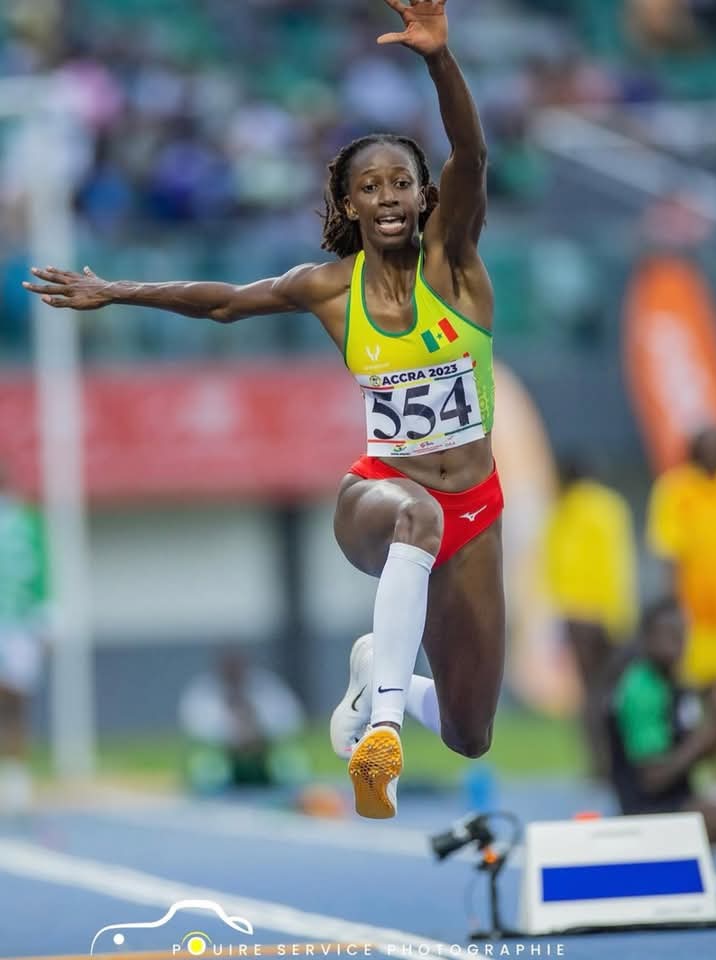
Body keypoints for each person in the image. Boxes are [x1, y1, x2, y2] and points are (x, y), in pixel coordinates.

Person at [23, 0, 504, 820]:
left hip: (479, 509)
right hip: (380, 495)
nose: (387, 197)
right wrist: (116, 290)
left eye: (401, 183)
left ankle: (372, 680)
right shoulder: (326, 290)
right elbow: (222, 303)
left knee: (470, 735)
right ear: (349, 205)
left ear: (425, 197)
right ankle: (380, 735)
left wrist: (439, 61)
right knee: (415, 516)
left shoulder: (452, 265)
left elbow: (473, 150)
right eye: (369, 187)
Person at [541, 457, 637, 778]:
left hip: (577, 614)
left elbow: (555, 564)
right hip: (610, 611)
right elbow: (619, 561)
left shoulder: (564, 509)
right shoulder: (611, 506)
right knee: (616, 690)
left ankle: (599, 763)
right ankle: (622, 759)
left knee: (591, 692)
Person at [607, 597, 716, 841]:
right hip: (647, 811)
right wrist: (706, 736)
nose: (677, 644)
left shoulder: (676, 684)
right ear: (646, 638)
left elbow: (705, 754)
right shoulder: (641, 690)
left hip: (679, 800)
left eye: (681, 635)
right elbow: (653, 778)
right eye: (667, 635)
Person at [646, 425, 716, 690]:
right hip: (693, 617)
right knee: (693, 689)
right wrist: (674, 606)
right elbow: (668, 551)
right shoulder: (676, 490)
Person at [178, 650, 306, 791]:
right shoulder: (204, 693)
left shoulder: (264, 687)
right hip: (226, 757)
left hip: (264, 756)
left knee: (289, 763)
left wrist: (257, 733)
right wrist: (235, 736)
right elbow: (198, 728)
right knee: (208, 767)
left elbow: (290, 719)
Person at [0, 463, 48, 813]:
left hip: (17, 624)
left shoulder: (27, 522)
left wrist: (46, 619)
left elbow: (44, 569)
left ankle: (16, 778)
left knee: (16, 702)